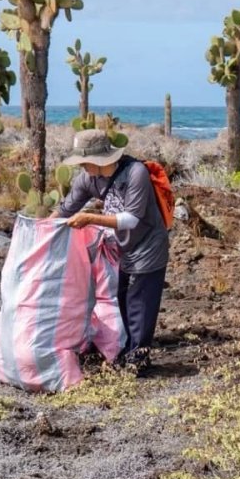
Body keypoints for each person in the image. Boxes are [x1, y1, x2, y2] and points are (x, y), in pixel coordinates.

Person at [55, 129, 171, 369]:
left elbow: (131, 219)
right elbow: (66, 209)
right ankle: (129, 350)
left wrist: (90, 218)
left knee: (140, 303)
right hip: (123, 249)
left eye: (85, 162)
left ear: (100, 159)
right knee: (123, 300)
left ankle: (138, 358)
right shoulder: (89, 178)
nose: (83, 166)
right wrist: (41, 230)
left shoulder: (135, 173)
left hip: (148, 245)